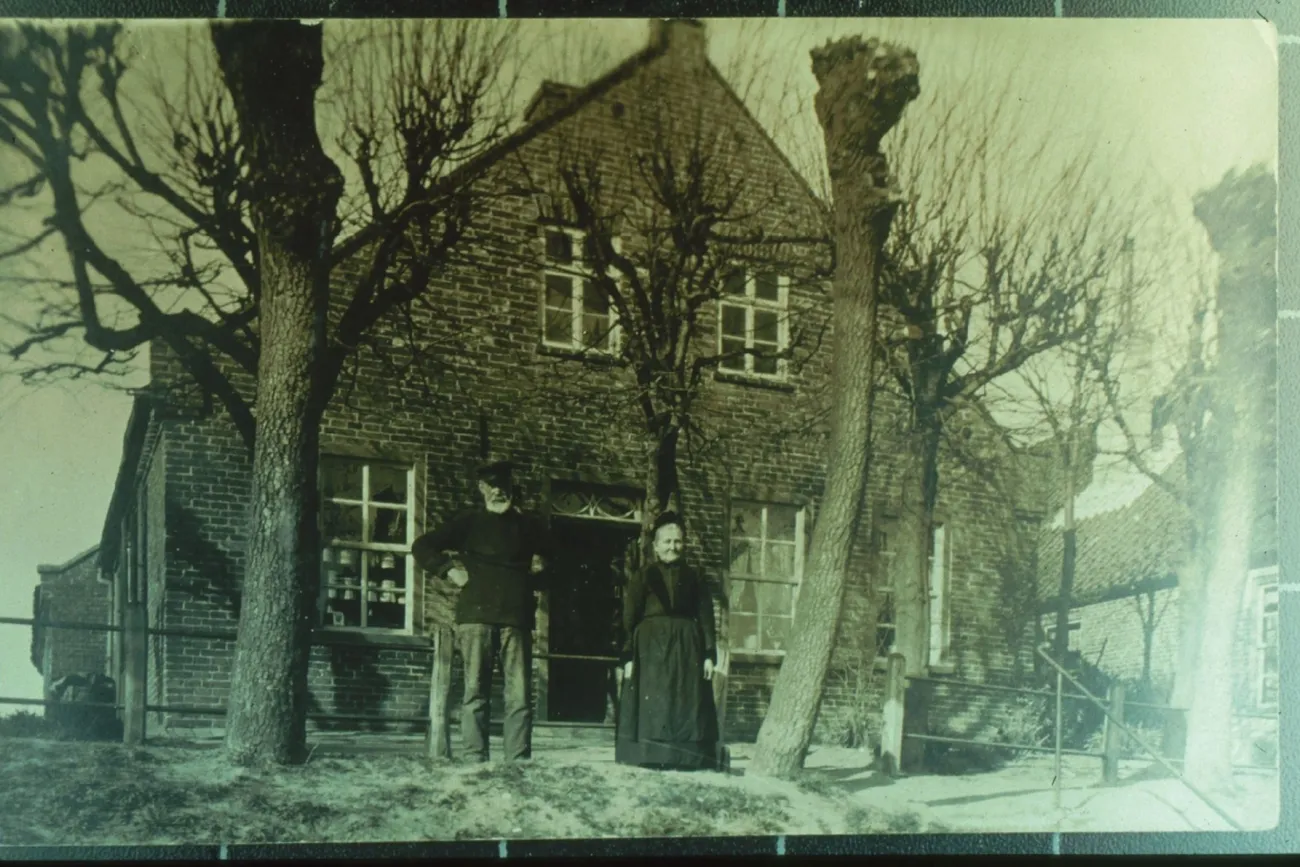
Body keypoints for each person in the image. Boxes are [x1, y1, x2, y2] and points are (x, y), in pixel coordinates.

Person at [412, 460, 551, 763]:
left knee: (519, 697)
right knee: (475, 694)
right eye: (491, 486)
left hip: (516, 621)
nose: (498, 492)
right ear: (481, 489)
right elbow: (422, 546)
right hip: (475, 620)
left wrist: (536, 581)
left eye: (504, 486)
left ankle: (518, 762)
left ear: (513, 488)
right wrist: (449, 570)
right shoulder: (468, 523)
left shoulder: (529, 527)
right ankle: (475, 762)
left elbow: (562, 561)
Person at [615, 510, 721, 770]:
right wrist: (627, 657)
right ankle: (650, 754)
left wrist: (708, 654)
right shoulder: (643, 576)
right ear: (656, 546)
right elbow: (629, 617)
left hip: (688, 649)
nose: (673, 547)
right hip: (650, 649)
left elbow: (706, 616)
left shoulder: (694, 576)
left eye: (678, 541)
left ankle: (685, 758)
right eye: (667, 541)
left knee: (686, 700)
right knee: (655, 700)